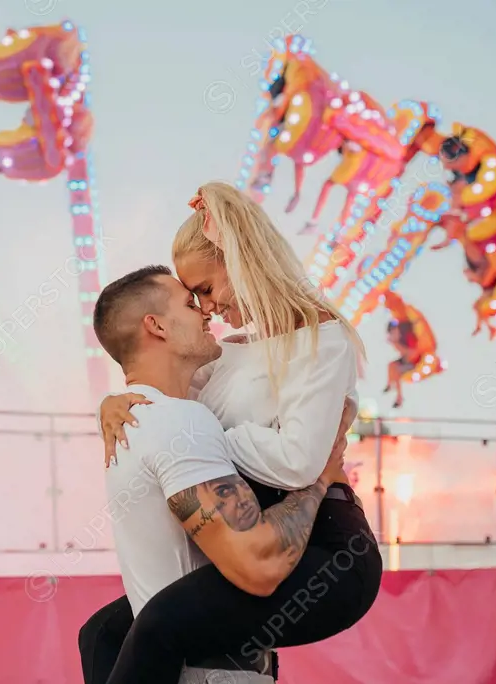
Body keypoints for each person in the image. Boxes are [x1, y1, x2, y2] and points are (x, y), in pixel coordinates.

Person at [79, 182, 383, 684]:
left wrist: (205, 439)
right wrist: (110, 404)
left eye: (204, 288)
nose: (206, 307)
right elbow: (160, 389)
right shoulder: (233, 353)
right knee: (103, 632)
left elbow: (298, 463)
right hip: (271, 519)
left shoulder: (323, 340)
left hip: (330, 547)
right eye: (192, 297)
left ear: (240, 261)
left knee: (161, 625)